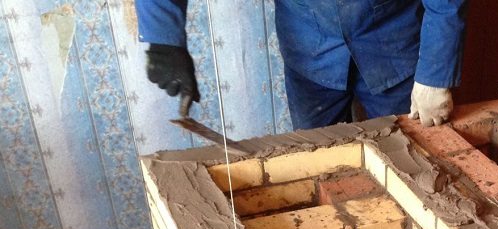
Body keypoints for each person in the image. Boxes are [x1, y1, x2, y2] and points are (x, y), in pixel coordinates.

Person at [136, 0, 468, 129]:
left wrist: (435, 74)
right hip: (310, 44)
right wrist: (164, 40)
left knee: (412, 154)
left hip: (395, 41)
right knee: (319, 160)